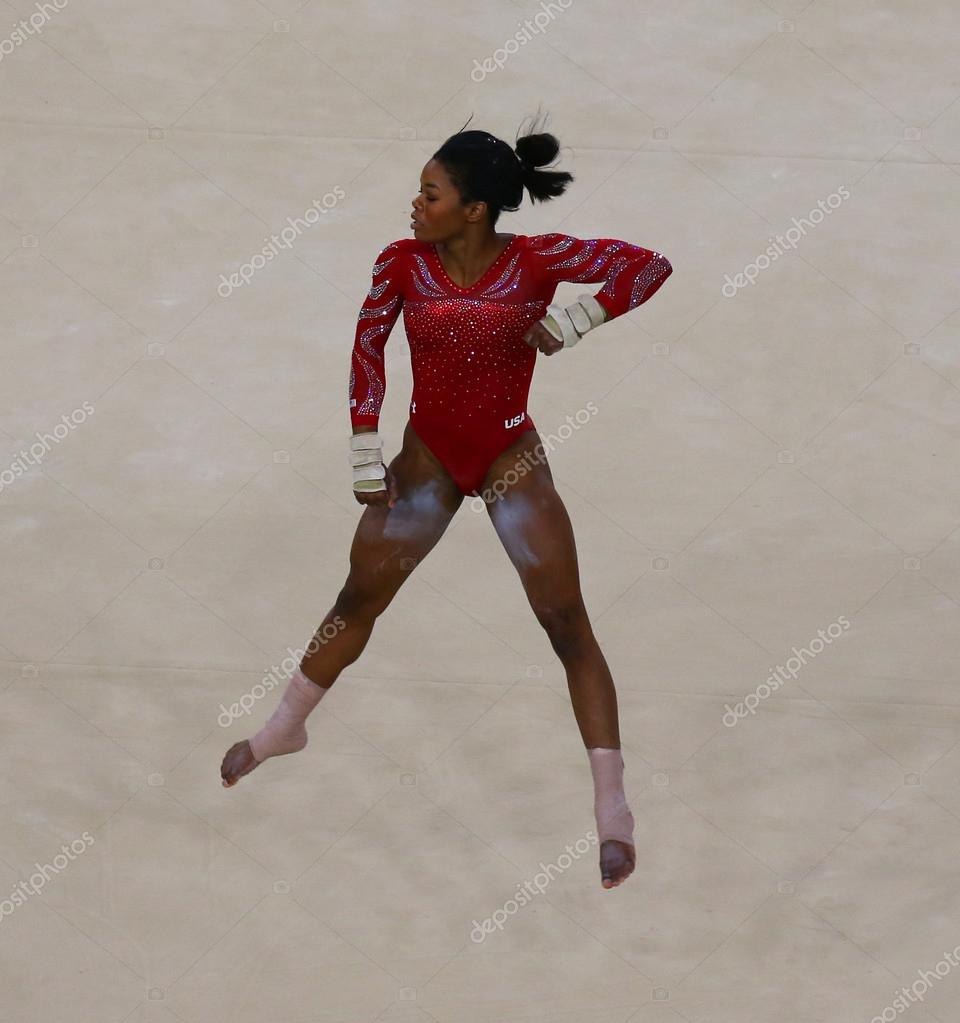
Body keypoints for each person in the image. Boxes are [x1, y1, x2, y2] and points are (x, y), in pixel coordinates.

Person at [221, 112, 673, 889]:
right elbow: (368, 346)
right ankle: (284, 726)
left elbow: (648, 266)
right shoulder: (402, 263)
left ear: (474, 209)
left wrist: (582, 315)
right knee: (358, 597)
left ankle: (613, 805)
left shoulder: (537, 260)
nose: (415, 203)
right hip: (426, 460)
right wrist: (364, 446)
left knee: (566, 621)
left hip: (508, 457)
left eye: (430, 194)